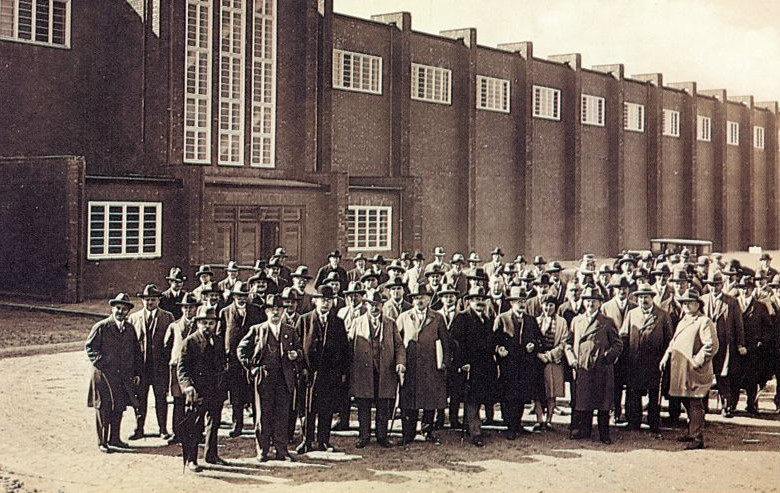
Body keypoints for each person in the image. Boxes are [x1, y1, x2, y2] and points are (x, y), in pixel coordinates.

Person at [237, 294, 304, 462]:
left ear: (283, 311)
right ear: (266, 312)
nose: (275, 312)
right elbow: (241, 349)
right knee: (263, 415)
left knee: (282, 415)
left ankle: (282, 451)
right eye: (272, 310)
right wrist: (252, 368)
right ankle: (263, 450)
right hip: (264, 377)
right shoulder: (258, 329)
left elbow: (300, 349)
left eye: (279, 309)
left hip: (284, 378)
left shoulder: (290, 330)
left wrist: (296, 354)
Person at [659, 289, 719, 450]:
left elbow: (712, 345)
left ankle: (697, 437)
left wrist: (696, 361)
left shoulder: (704, 321)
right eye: (684, 302)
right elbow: (673, 341)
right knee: (687, 401)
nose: (686, 305)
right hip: (681, 370)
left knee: (695, 403)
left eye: (689, 302)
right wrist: (666, 357)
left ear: (698, 304)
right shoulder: (684, 320)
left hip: (694, 371)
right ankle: (691, 432)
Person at [295, 285, 351, 453]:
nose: (325, 304)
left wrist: (341, 373)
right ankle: (307, 440)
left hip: (329, 374)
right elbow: (297, 345)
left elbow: (344, 350)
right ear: (315, 301)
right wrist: (301, 368)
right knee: (308, 408)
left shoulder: (338, 322)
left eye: (328, 300)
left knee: (326, 408)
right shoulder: (304, 320)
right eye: (322, 300)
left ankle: (323, 441)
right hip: (309, 373)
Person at [347, 291, 406, 448]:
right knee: (364, 404)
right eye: (371, 304)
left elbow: (399, 346)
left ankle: (382, 436)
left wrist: (400, 363)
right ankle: (363, 436)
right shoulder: (357, 322)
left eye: (378, 305)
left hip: (384, 370)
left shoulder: (390, 323)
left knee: (383, 405)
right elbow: (350, 345)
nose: (374, 308)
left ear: (382, 306)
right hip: (363, 370)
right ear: (366, 305)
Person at [86, 293, 142, 453]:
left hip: (122, 377)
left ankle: (115, 439)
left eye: (124, 309)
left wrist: (136, 372)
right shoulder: (102, 327)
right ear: (112, 308)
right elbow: (90, 347)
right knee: (103, 408)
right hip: (103, 377)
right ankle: (102, 442)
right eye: (118, 308)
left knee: (118, 407)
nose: (120, 311)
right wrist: (102, 363)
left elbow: (136, 352)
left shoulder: (130, 329)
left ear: (128, 312)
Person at [396, 284, 451, 445]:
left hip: (431, 365)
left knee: (430, 400)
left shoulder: (438, 318)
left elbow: (446, 342)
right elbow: (397, 342)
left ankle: (427, 430)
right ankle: (408, 433)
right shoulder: (404, 317)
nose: (420, 300)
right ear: (412, 300)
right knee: (409, 400)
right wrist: (400, 362)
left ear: (429, 299)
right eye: (416, 298)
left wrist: (446, 361)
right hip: (411, 365)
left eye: (423, 297)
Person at [177, 306, 229, 471]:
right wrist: (187, 386)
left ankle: (211, 455)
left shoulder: (219, 340)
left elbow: (222, 363)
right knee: (195, 426)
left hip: (216, 390)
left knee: (213, 424)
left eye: (211, 323)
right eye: (204, 323)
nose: (207, 326)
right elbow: (182, 368)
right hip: (198, 391)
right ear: (198, 323)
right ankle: (192, 460)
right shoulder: (190, 342)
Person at [569, 287, 623, 445]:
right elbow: (567, 343)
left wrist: (608, 356)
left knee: (602, 403)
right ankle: (584, 430)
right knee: (584, 401)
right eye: (587, 300)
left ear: (600, 303)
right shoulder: (576, 321)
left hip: (601, 368)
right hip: (583, 367)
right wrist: (572, 358)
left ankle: (604, 433)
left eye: (593, 301)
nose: (590, 303)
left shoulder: (607, 322)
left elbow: (618, 344)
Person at [620, 283, 673, 432]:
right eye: (641, 297)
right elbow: (624, 335)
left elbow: (670, 340)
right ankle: (634, 422)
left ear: (652, 298)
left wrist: (664, 358)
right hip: (635, 361)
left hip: (654, 362)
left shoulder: (662, 315)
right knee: (634, 392)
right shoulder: (632, 314)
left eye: (647, 297)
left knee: (654, 393)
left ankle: (654, 422)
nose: (644, 300)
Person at [494, 287, 544, 439]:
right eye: (518, 301)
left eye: (523, 301)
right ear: (511, 303)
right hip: (508, 364)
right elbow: (493, 340)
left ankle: (517, 424)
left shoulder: (530, 320)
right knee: (508, 395)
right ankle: (510, 426)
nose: (521, 304)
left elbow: (539, 339)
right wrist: (499, 348)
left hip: (525, 365)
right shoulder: (502, 318)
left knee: (522, 395)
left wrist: (534, 345)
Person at [451, 286, 499, 447]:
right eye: (476, 299)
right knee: (472, 398)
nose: (479, 302)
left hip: (484, 365)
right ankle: (475, 432)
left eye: (481, 299)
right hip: (470, 365)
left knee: (479, 396)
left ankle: (472, 425)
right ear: (469, 301)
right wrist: (462, 362)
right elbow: (456, 343)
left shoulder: (487, 319)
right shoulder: (462, 318)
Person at [127, 284, 175, 441]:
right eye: (146, 300)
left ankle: (163, 429)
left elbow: (171, 343)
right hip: (141, 368)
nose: (149, 303)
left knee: (161, 398)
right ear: (142, 301)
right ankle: (139, 428)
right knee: (140, 398)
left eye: (153, 300)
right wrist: (134, 369)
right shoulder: (134, 318)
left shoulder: (167, 317)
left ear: (159, 301)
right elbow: (131, 345)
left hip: (160, 367)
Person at [219, 281, 264, 437]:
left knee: (254, 394)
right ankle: (237, 425)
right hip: (233, 362)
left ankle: (257, 426)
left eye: (244, 296)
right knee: (236, 396)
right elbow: (220, 336)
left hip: (252, 360)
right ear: (234, 296)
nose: (241, 299)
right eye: (239, 296)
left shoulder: (257, 311)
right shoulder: (225, 312)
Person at [700, 271, 745, 417]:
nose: (714, 288)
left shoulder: (731, 302)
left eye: (717, 284)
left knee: (723, 376)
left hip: (725, 345)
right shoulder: (702, 300)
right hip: (706, 344)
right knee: (704, 375)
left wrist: (740, 344)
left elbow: (739, 325)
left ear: (722, 285)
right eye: (711, 285)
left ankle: (726, 407)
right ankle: (703, 407)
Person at [163, 292, 200, 445]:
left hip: (195, 368)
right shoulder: (175, 326)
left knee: (194, 401)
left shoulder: (200, 325)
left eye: (191, 308)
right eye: (185, 308)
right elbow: (166, 347)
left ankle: (195, 432)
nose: (188, 311)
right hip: (177, 368)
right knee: (178, 401)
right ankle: (177, 432)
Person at [600, 277, 636, 424]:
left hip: (630, 352)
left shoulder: (634, 307)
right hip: (613, 351)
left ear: (628, 290)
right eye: (619, 288)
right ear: (614, 290)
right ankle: (615, 411)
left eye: (625, 288)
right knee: (614, 384)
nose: (622, 291)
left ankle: (629, 414)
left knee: (630, 383)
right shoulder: (606, 307)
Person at [735, 276, 771, 415]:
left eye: (747, 288)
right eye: (742, 288)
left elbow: (768, 327)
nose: (744, 291)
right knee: (735, 377)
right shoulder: (734, 304)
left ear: (752, 289)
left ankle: (751, 404)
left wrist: (761, 341)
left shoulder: (760, 306)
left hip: (753, 348)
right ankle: (732, 404)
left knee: (752, 378)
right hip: (737, 346)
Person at [536, 294, 570, 429]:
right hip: (538, 359)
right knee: (538, 391)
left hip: (554, 360)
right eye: (545, 305)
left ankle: (549, 419)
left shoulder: (561, 322)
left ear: (555, 307)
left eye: (550, 305)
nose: (547, 308)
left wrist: (550, 355)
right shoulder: (536, 321)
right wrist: (539, 355)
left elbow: (564, 342)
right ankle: (539, 419)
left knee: (552, 392)